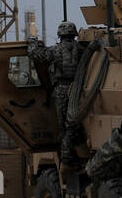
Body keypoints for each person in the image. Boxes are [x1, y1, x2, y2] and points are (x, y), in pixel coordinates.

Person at [27, 21, 84, 166]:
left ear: (60, 34)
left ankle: (66, 158)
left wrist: (33, 42)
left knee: (64, 126)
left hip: (61, 90)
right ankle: (78, 152)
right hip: (78, 91)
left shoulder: (55, 50)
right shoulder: (82, 49)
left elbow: (34, 54)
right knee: (76, 123)